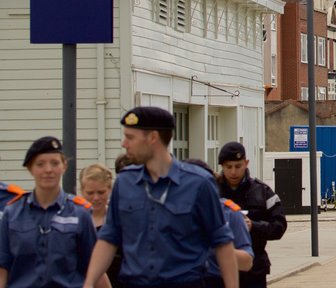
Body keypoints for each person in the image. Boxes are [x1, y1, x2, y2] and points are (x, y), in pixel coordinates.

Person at [85, 106, 238, 288]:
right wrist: (89, 283)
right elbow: (109, 239)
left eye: (130, 137)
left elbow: (222, 243)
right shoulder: (125, 182)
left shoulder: (198, 184)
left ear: (152, 138)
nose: (124, 143)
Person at [0, 136, 109, 288]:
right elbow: (3, 267)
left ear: (64, 166)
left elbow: (94, 267)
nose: (48, 170)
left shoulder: (79, 214)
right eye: (40, 164)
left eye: (55, 163)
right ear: (30, 168)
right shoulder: (12, 214)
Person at [216, 141, 286, 288]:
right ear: (221, 166)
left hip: (255, 269)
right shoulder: (211, 192)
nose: (233, 172)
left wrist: (253, 226)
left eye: (238, 166)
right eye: (229, 167)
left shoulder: (263, 192)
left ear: (246, 163)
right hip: (218, 271)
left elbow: (279, 227)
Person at [183, 159, 254, 288]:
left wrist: (218, 249)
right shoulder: (169, 213)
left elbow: (247, 262)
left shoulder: (229, 213)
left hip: (215, 280)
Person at [80, 164, 122, 287]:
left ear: (109, 189)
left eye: (101, 192)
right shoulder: (76, 221)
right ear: (82, 191)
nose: (96, 198)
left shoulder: (117, 219)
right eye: (90, 193)